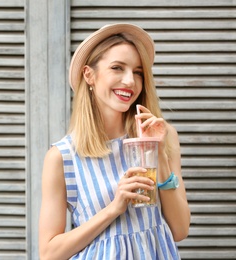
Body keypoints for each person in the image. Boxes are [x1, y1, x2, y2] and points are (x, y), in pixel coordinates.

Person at [39, 23, 191, 259]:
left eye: (138, 72)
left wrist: (157, 152)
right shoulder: (61, 157)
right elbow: (49, 253)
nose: (130, 81)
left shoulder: (163, 134)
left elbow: (180, 230)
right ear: (89, 75)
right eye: (117, 68)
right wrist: (114, 208)